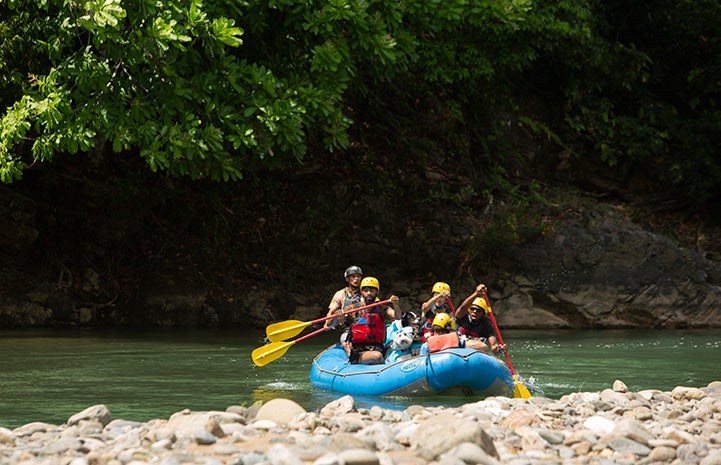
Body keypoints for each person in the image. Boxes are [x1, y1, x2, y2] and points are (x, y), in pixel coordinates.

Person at [343, 276, 401, 364]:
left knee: (395, 345)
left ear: (377, 292)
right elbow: (339, 320)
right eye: (365, 291)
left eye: (372, 291)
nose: (369, 293)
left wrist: (396, 305)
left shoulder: (381, 307)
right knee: (376, 356)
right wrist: (339, 315)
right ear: (361, 292)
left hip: (378, 347)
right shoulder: (353, 308)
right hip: (360, 350)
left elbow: (397, 317)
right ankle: (352, 357)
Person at [454, 283, 503, 354]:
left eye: (478, 310)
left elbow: (494, 347)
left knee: (484, 346)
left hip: (474, 351)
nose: (474, 312)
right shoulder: (462, 316)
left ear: (483, 314)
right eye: (472, 309)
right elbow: (463, 307)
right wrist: (476, 293)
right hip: (457, 347)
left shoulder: (487, 325)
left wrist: (499, 350)